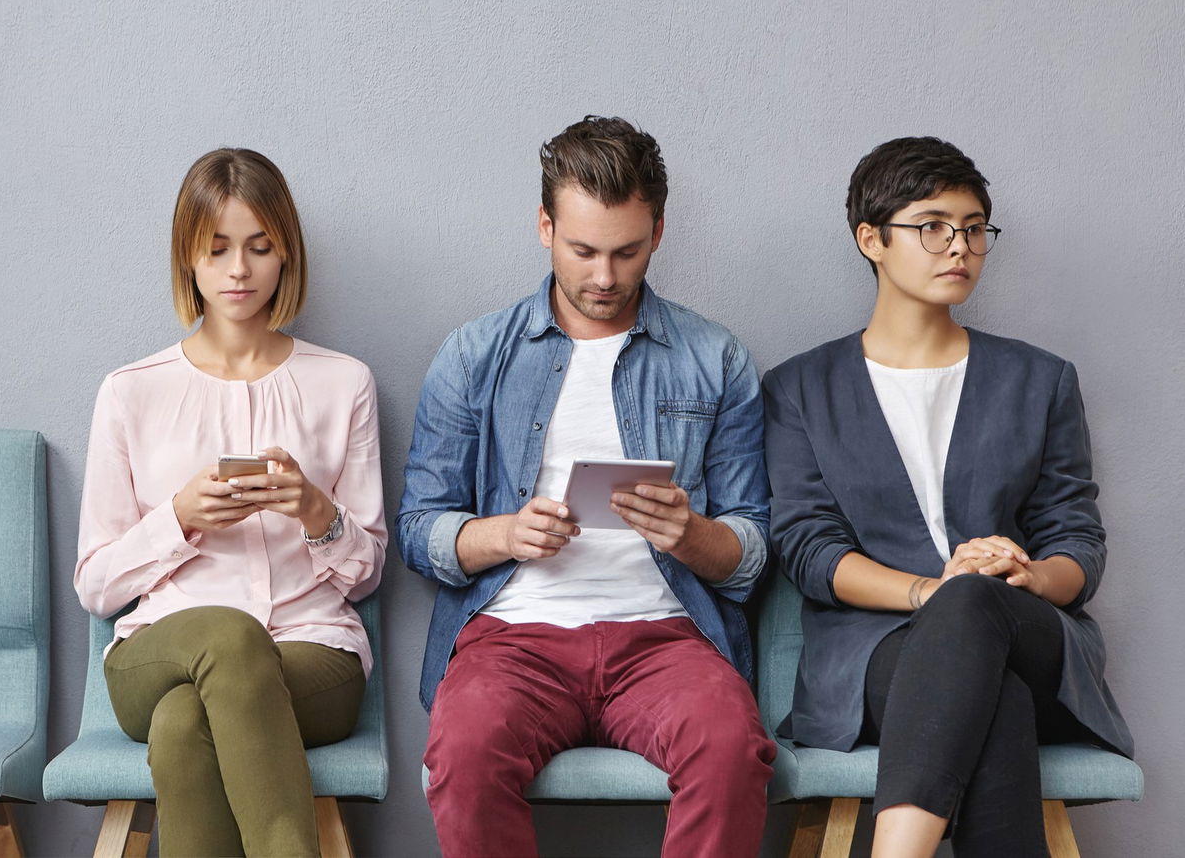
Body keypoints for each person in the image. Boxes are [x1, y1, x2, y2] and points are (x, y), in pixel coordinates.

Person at [397, 116, 776, 858]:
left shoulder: (715, 358)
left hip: (665, 637)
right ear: (545, 227)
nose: (604, 276)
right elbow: (418, 529)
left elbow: (752, 548)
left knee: (733, 750)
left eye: (626, 251)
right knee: (463, 753)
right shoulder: (474, 356)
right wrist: (505, 534)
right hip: (513, 639)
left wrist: (691, 535)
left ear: (658, 232)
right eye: (583, 250)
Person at [763, 136, 1132, 858]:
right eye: (932, 227)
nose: (959, 246)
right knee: (994, 698)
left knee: (976, 607)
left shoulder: (1041, 380)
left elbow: (1078, 540)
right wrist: (932, 592)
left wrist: (1027, 577)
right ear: (871, 239)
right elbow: (808, 548)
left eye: (973, 229)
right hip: (875, 652)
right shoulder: (801, 389)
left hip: (1027, 629)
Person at [75, 148, 386, 858]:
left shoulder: (344, 384)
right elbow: (95, 585)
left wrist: (315, 513)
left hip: (314, 653)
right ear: (188, 256)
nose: (238, 270)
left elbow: (367, 575)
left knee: (184, 723)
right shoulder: (130, 391)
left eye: (259, 247)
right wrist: (179, 518)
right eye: (216, 249)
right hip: (156, 655)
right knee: (228, 635)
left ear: (286, 254)